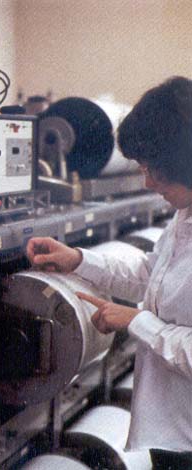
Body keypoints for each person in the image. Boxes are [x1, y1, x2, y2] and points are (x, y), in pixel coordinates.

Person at [26, 76, 192, 469]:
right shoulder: (184, 216)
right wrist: (79, 260)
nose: (148, 182)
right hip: (173, 433)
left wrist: (138, 322)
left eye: (155, 170)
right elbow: (151, 273)